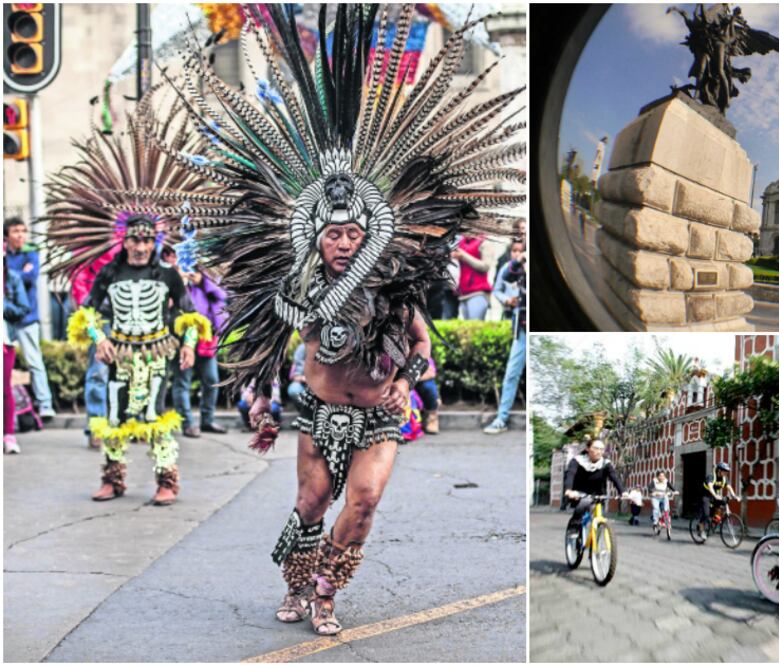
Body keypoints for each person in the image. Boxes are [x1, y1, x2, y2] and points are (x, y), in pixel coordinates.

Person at [155, 5, 524, 637]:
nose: (346, 243)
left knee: (365, 502)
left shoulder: (394, 287)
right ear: (316, 238)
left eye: (356, 232)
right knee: (309, 504)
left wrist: (408, 380)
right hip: (319, 413)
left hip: (380, 413)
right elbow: (264, 348)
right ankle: (297, 584)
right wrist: (263, 401)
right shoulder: (294, 289)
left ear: (370, 233)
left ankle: (327, 589)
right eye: (335, 234)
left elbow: (418, 346)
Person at [41, 94, 213, 506]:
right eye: (134, 238)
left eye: (146, 239)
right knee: (116, 417)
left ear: (155, 240)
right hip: (118, 353)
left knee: (156, 415)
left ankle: (166, 480)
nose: (139, 245)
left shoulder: (168, 274)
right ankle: (113, 478)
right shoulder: (110, 272)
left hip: (154, 354)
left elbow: (189, 314)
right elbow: (87, 310)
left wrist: (188, 346)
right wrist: (99, 337)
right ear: (125, 239)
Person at [4, 218, 56, 419]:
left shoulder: (30, 252)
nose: (20, 235)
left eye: (23, 231)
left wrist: (10, 274)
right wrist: (18, 273)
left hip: (27, 317)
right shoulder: (4, 254)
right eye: (15, 231)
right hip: (5, 319)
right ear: (6, 235)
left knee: (35, 362)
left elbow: (31, 275)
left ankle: (45, 405)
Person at [171, 263, 229, 438]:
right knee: (183, 382)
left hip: (205, 340)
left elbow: (221, 296)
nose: (191, 273)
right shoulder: (175, 281)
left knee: (212, 380)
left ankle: (207, 420)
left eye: (194, 270)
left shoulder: (205, 286)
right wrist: (180, 280)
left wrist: (202, 281)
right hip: (182, 340)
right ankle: (187, 423)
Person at [72, 247, 119, 449]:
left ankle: (133, 423)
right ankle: (97, 428)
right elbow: (79, 284)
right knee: (98, 373)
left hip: (129, 316)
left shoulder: (127, 240)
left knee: (132, 371)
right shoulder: (88, 244)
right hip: (100, 316)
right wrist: (88, 314)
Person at [483, 246, 527, 434]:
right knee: (512, 372)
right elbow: (504, 279)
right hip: (523, 327)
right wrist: (520, 260)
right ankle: (502, 418)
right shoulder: (518, 265)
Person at [563, 439, 627, 535]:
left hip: (598, 494)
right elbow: (570, 475)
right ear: (588, 449)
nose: (599, 451)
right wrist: (569, 490)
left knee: (598, 515)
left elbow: (615, 478)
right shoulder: (577, 461)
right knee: (583, 504)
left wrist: (623, 492)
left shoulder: (605, 463)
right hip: (579, 493)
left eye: (602, 449)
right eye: (596, 448)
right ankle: (574, 525)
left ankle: (596, 542)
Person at [4, 249, 31, 454]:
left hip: (4, 342)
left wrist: (3, 304)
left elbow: (23, 309)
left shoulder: (11, 278)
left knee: (4, 390)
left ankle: (9, 435)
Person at [454, 235, 492, 320]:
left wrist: (463, 255)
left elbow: (485, 266)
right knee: (467, 329)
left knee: (475, 327)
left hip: (478, 293)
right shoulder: (460, 242)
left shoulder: (484, 242)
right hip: (463, 293)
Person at [492, 239, 525, 320]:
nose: (518, 254)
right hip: (512, 313)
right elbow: (496, 290)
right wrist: (507, 300)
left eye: (521, 251)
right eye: (514, 251)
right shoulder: (505, 268)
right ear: (510, 252)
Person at [415, 357, 441, 435]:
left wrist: (409, 378)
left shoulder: (423, 354)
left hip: (415, 383)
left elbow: (431, 374)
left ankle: (432, 416)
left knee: (428, 385)